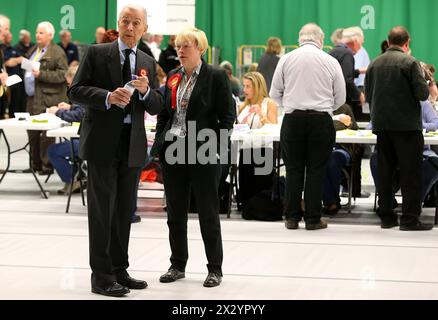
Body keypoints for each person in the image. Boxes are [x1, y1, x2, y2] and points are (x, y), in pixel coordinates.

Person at [68, 4, 164, 297]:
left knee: (124, 211)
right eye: (126, 21)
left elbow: (158, 105)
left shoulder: (146, 59)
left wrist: (147, 92)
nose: (130, 27)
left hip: (132, 144)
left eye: (136, 23)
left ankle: (119, 269)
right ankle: (101, 276)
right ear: (118, 24)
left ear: (145, 28)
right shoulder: (97, 54)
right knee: (102, 211)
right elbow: (75, 91)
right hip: (101, 143)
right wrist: (107, 97)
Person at [150, 27, 235, 288]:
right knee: (175, 212)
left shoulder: (216, 76)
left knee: (208, 212)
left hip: (203, 150)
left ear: (200, 48)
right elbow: (165, 113)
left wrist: (215, 146)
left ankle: (215, 269)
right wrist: (159, 144)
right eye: (178, 46)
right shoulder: (173, 77)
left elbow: (227, 117)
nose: (181, 50)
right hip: (174, 150)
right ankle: (177, 264)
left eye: (186, 46)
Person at [270, 23, 346, 230]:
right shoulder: (330, 61)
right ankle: (313, 219)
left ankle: (291, 218)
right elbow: (341, 97)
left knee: (293, 170)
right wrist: (324, 107)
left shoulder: (286, 59)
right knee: (316, 170)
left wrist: (291, 106)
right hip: (321, 121)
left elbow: (274, 93)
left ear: (299, 39)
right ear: (321, 40)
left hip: (292, 120)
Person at [365, 26, 432, 231]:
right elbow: (422, 94)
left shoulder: (374, 63)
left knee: (385, 173)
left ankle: (387, 217)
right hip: (407, 128)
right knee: (410, 174)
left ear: (388, 40)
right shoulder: (410, 62)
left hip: (382, 127)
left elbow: (368, 96)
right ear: (407, 42)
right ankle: (410, 219)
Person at [24, 21, 68, 175]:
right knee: (32, 132)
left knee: (46, 134)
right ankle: (34, 164)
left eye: (41, 33)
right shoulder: (33, 50)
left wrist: (41, 74)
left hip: (49, 98)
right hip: (32, 97)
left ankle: (47, 165)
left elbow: (63, 74)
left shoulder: (57, 52)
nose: (37, 35)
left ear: (50, 35)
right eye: (36, 32)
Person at [237, 71, 277, 209]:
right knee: (246, 188)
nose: (244, 90)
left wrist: (261, 114)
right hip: (246, 149)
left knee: (261, 188)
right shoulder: (243, 106)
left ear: (257, 87)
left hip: (263, 150)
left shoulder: (269, 103)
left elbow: (273, 128)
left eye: (248, 86)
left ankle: (260, 205)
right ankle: (247, 205)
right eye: (244, 86)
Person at [47, 66, 84, 195]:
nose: (68, 86)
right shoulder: (88, 90)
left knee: (53, 151)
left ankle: (73, 180)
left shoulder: (80, 92)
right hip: (90, 139)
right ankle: (79, 177)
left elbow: (80, 116)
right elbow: (82, 110)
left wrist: (58, 112)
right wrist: (71, 107)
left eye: (69, 83)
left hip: (87, 142)